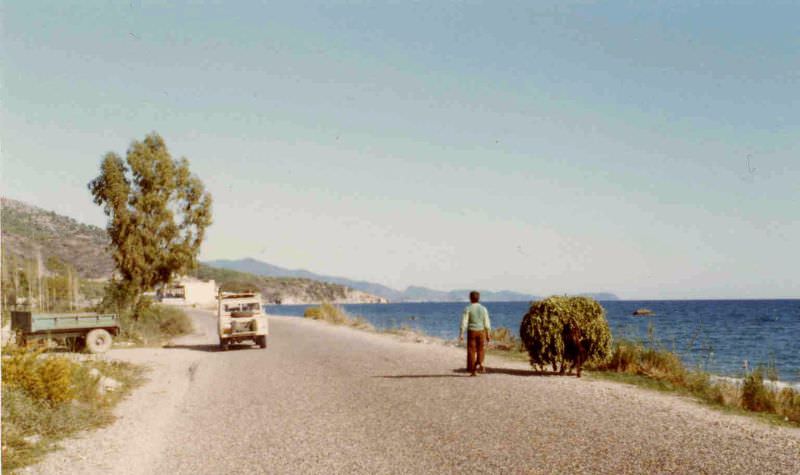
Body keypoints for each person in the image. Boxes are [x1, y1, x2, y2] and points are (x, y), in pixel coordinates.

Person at [458, 291, 491, 376]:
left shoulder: (468, 308)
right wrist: (488, 334)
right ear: (478, 298)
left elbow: (464, 322)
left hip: (471, 332)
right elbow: (487, 322)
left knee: (471, 351)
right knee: (481, 349)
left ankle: (473, 371)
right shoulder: (484, 309)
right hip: (481, 331)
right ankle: (480, 362)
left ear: (470, 298)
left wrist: (461, 333)